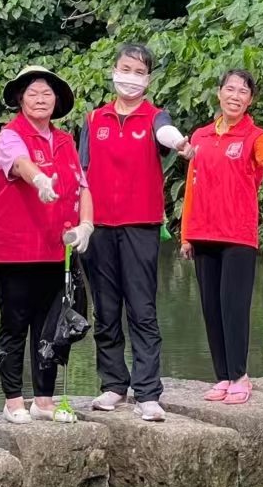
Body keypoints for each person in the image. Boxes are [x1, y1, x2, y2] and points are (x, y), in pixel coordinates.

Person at [82, 44, 193, 416]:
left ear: (148, 79)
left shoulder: (155, 117)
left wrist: (179, 142)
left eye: (139, 72)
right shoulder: (93, 119)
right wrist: (80, 221)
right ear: (114, 71)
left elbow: (166, 134)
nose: (130, 77)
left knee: (142, 309)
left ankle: (147, 392)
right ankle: (113, 384)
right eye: (125, 69)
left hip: (140, 225)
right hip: (98, 226)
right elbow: (82, 173)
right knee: (105, 309)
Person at [0, 66, 96, 421]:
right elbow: (20, 164)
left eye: (47, 93)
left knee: (51, 325)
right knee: (15, 324)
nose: (40, 99)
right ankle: (13, 399)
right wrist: (40, 180)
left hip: (55, 248)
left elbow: (82, 186)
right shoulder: (9, 136)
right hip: (15, 250)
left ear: (57, 101)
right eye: (32, 93)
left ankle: (44, 400)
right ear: (20, 99)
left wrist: (86, 224)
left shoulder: (64, 141)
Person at [182, 69, 263, 406]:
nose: (235, 96)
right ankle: (222, 375)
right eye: (230, 89)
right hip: (202, 232)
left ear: (250, 100)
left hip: (238, 235)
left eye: (243, 91)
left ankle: (239, 376)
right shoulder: (201, 136)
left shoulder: (255, 135)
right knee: (211, 308)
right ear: (219, 92)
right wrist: (186, 235)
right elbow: (191, 184)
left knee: (233, 307)